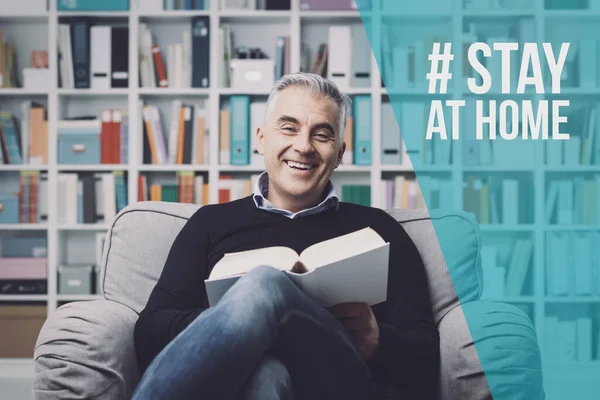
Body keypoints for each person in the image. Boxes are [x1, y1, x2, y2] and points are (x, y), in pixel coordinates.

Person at [132, 72, 440, 400]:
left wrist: (377, 340)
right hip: (242, 383)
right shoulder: (209, 224)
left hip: (340, 383)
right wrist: (240, 317)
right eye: (289, 128)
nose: (303, 146)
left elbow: (427, 357)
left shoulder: (379, 230)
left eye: (322, 135)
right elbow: (149, 333)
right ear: (262, 138)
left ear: (339, 153)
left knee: (264, 283)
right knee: (266, 374)